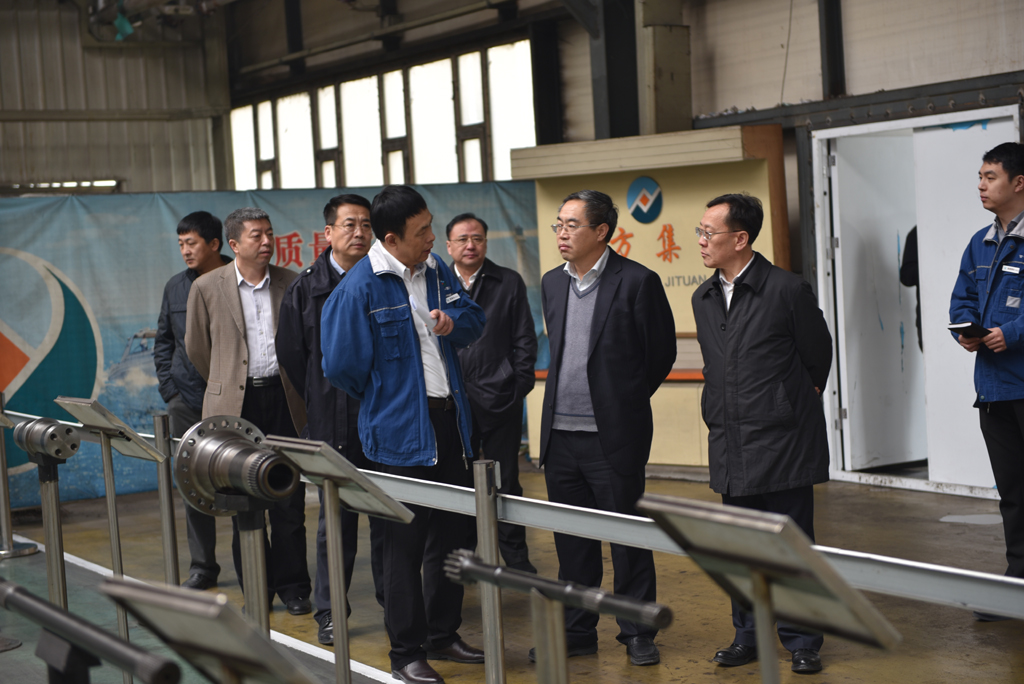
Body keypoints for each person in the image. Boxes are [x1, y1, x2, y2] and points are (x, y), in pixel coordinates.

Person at [321, 185, 486, 684]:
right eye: (422, 232)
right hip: (397, 434)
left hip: (450, 424)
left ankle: (443, 633)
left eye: (431, 226)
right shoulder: (359, 288)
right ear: (390, 239)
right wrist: (389, 398)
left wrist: (452, 322)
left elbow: (475, 320)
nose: (432, 238)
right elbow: (342, 367)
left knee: (452, 539)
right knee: (402, 548)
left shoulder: (435, 271)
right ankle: (406, 652)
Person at [691, 193, 832, 674]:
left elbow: (817, 355)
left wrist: (786, 401)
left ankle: (803, 640)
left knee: (791, 545)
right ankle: (747, 635)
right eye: (700, 231)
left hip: (783, 439)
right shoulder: (704, 297)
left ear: (740, 238)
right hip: (731, 438)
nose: (701, 240)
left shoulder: (787, 290)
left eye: (709, 232)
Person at [536, 190, 676, 666]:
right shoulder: (552, 283)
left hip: (612, 437)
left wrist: (624, 402)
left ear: (601, 231)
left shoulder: (636, 281)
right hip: (560, 437)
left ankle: (637, 632)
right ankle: (577, 631)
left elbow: (660, 354)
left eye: (571, 225)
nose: (561, 233)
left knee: (628, 539)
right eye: (559, 224)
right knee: (572, 541)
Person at [184, 206, 312, 616]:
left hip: (285, 401)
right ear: (234, 244)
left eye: (270, 233)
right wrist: (228, 383)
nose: (267, 242)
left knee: (289, 500)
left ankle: (294, 588)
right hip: (235, 409)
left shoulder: (291, 282)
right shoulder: (207, 287)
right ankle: (257, 588)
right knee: (242, 501)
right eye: (257, 235)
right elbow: (197, 349)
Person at [276, 194, 384, 646]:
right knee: (335, 525)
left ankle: (395, 605)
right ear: (328, 233)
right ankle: (331, 612)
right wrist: (322, 403)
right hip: (330, 423)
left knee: (389, 520)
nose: (359, 232)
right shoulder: (306, 289)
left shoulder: (386, 279)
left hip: (383, 421)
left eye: (366, 225)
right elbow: (292, 357)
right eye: (349, 224)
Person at [949, 142, 1024, 621]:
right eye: (979, 176)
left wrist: (1011, 333)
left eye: (990, 176)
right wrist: (965, 331)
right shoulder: (980, 242)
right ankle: (1016, 585)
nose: (980, 185)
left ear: (1019, 182)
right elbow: (961, 299)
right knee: (1013, 494)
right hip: (995, 390)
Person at [445, 212, 538, 573]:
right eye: (463, 239)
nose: (470, 245)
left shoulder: (507, 281)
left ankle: (517, 561)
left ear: (485, 242)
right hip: (453, 403)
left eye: (478, 238)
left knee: (506, 481)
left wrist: (518, 386)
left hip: (500, 398)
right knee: (459, 482)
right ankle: (466, 559)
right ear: (449, 245)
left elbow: (524, 338)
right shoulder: (436, 283)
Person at [154, 211, 231, 591]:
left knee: (242, 481)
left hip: (233, 401)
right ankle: (203, 567)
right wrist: (171, 391)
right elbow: (164, 341)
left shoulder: (237, 279)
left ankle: (256, 565)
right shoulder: (175, 287)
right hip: (186, 402)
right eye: (181, 244)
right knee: (192, 484)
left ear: (214, 244)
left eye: (192, 243)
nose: (185, 250)